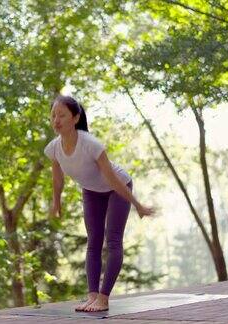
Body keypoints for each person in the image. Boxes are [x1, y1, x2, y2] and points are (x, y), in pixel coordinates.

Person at [44, 95, 155, 312]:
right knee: (93, 242)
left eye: (62, 115)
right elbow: (57, 179)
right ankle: (92, 296)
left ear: (75, 118)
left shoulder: (91, 144)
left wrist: (137, 204)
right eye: (53, 116)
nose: (56, 120)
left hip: (117, 187)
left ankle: (103, 299)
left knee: (112, 241)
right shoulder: (54, 148)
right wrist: (56, 203)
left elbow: (113, 178)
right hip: (92, 190)